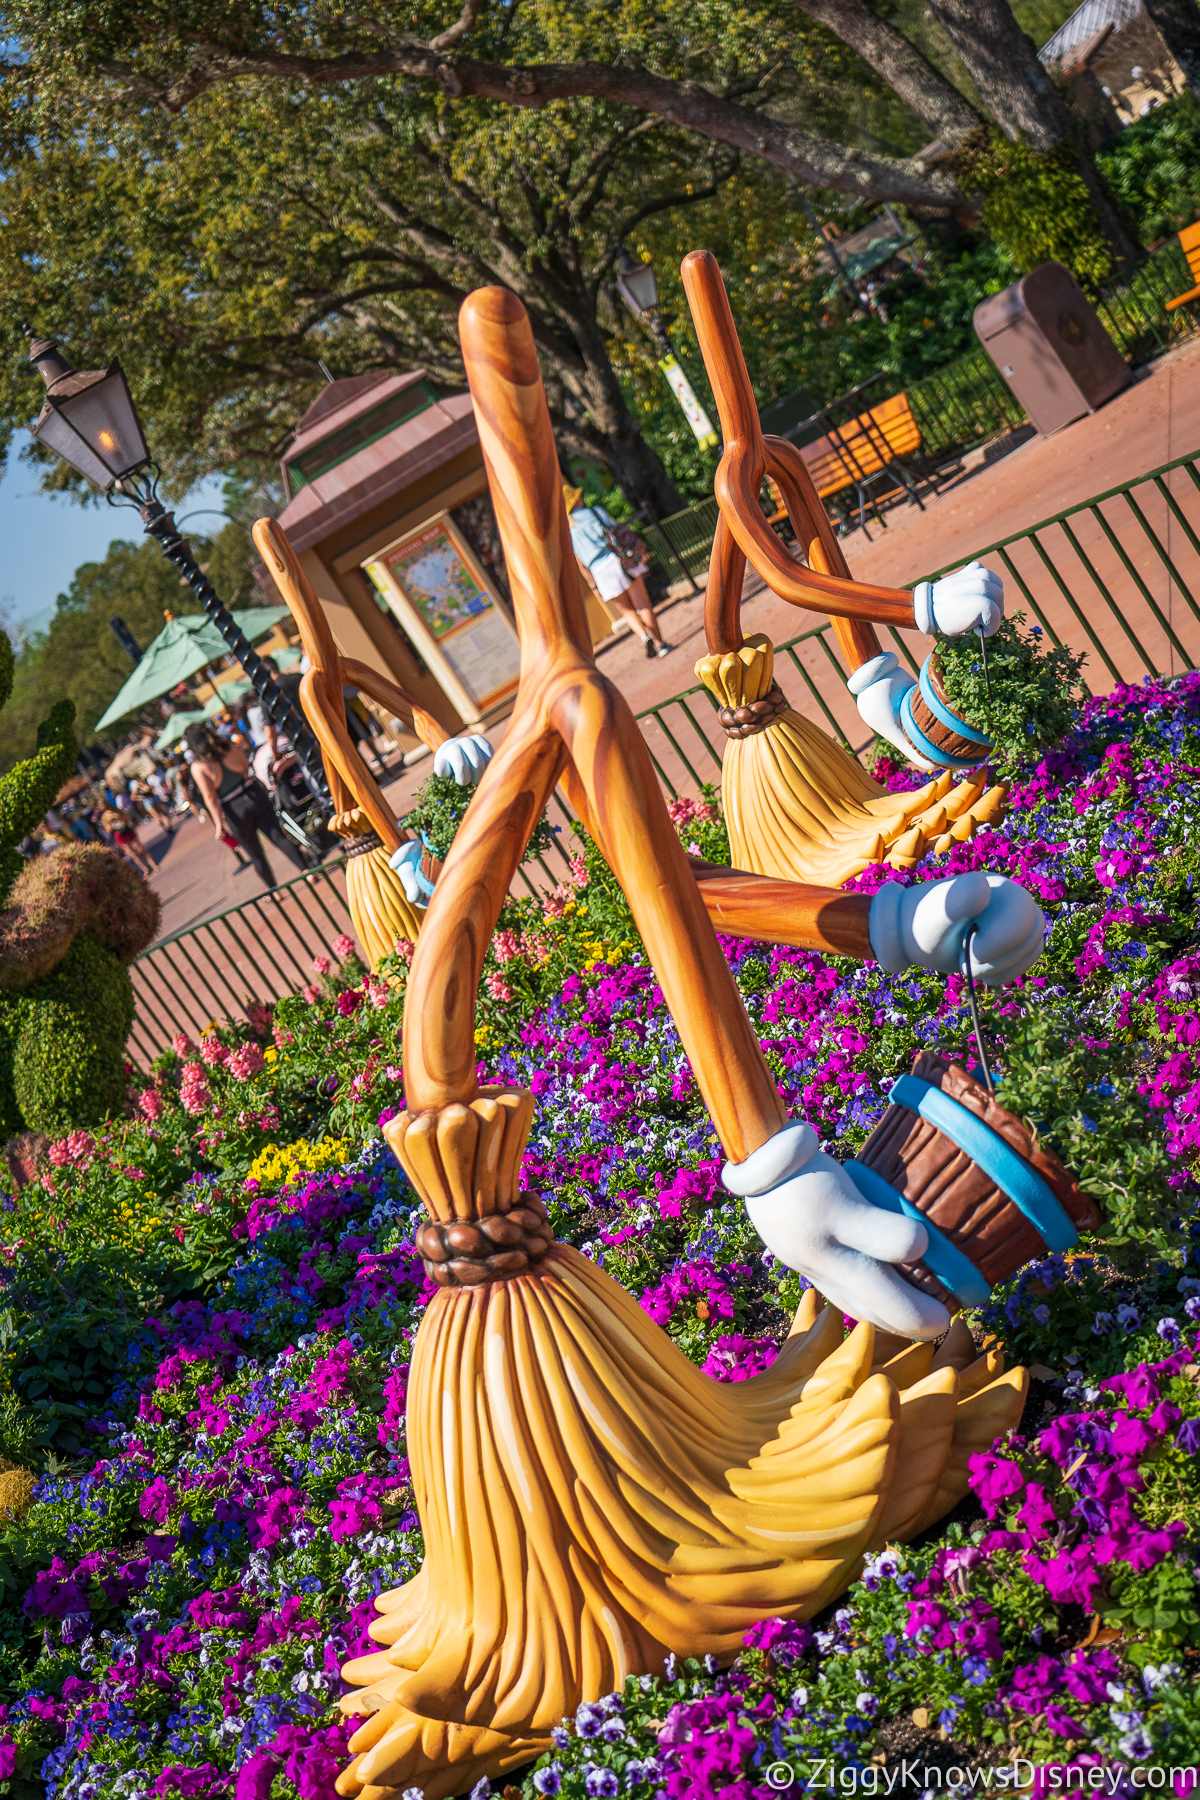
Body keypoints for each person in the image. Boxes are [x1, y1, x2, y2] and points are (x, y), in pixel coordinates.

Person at [182, 723, 307, 892]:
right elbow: (244, 768)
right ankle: (306, 870)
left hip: (233, 808)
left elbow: (211, 797)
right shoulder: (228, 746)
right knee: (279, 837)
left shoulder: (199, 766)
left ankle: (274, 891)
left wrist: (219, 824)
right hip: (252, 793)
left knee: (255, 853)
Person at [563, 484, 673, 659]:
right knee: (642, 604)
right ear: (575, 500)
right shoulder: (595, 512)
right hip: (618, 560)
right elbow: (617, 532)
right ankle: (661, 644)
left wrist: (594, 586)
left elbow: (582, 565)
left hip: (599, 572)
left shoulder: (568, 532)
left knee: (627, 611)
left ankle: (644, 637)